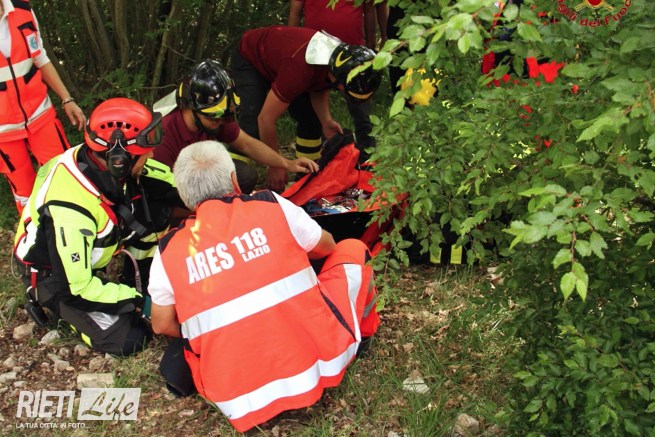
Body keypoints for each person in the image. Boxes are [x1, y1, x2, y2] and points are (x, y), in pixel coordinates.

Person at [149, 140, 381, 432]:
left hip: (233, 397)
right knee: (351, 249)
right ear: (234, 180)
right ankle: (364, 337)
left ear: (185, 197)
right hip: (323, 364)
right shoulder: (269, 204)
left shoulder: (168, 248)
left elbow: (161, 324)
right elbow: (326, 246)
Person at [13, 97, 173, 356]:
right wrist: (140, 303)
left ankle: (141, 278)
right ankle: (58, 306)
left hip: (80, 255)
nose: (151, 155)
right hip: (54, 275)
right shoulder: (70, 209)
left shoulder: (99, 159)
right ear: (120, 159)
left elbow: (166, 178)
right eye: (145, 152)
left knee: (157, 207)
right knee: (129, 339)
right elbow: (77, 288)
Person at [231, 25, 382, 191]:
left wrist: (325, 121)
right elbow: (265, 120)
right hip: (250, 57)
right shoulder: (298, 69)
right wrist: (276, 165)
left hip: (282, 63)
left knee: (311, 119)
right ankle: (234, 177)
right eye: (345, 88)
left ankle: (306, 176)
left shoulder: (335, 60)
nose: (342, 91)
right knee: (252, 121)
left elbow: (319, 85)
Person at [154, 60, 318, 194]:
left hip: (199, 173)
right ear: (191, 108)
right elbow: (163, 192)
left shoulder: (216, 117)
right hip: (171, 190)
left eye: (224, 118)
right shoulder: (164, 135)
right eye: (213, 118)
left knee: (245, 176)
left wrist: (287, 164)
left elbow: (247, 144)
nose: (219, 122)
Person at [0, 0, 85, 213]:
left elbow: (40, 58)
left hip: (40, 113)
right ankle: (36, 231)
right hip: (3, 131)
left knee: (64, 174)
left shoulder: (23, 10)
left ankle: (78, 224)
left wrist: (67, 99)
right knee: (24, 194)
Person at [288, 0, 378, 161]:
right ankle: (322, 156)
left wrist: (371, 45)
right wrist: (293, 43)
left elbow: (370, 10)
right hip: (316, 51)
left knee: (361, 106)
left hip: (353, 53)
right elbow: (295, 11)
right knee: (314, 108)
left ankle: (367, 155)